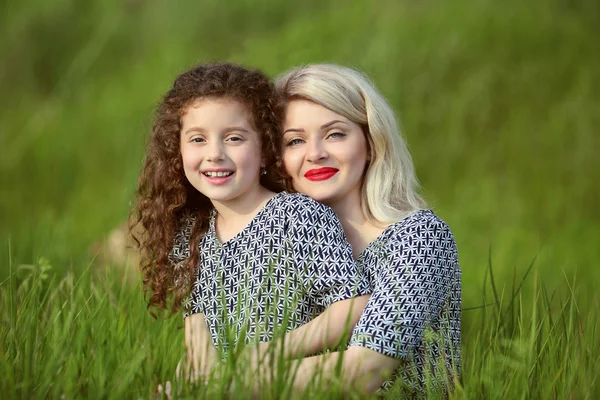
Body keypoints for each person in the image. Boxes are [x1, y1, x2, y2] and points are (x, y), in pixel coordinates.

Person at [130, 62, 370, 383]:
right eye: (198, 139)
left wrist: (272, 352)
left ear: (264, 147)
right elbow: (198, 345)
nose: (214, 154)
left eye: (233, 138)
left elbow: (354, 304)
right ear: (177, 151)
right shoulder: (191, 234)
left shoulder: (295, 216)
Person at [264, 64, 462, 396]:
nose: (315, 153)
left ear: (370, 142)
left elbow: (362, 372)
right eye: (295, 141)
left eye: (335, 134)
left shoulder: (420, 237)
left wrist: (226, 378)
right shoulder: (278, 246)